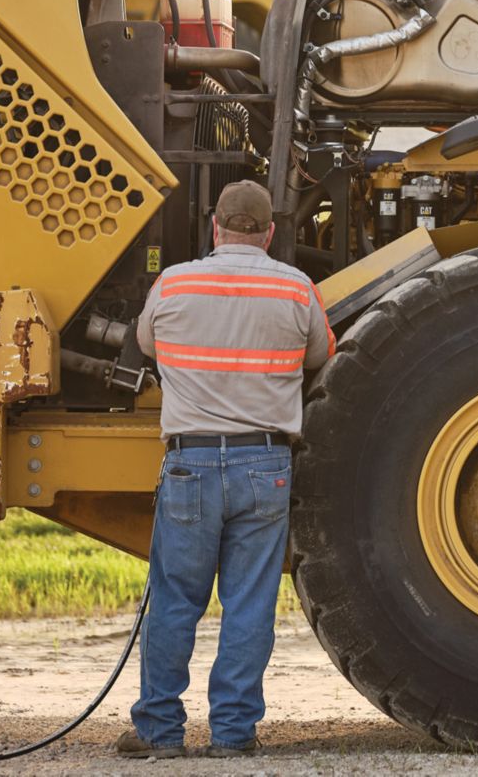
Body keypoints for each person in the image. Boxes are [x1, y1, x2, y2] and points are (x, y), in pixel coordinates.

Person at [116, 180, 332, 760]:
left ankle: (159, 732)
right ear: (268, 233)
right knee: (249, 603)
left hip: (189, 464)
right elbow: (321, 359)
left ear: (215, 227)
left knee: (175, 601)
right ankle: (233, 735)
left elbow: (147, 342)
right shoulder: (296, 288)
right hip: (265, 464)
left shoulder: (175, 281)